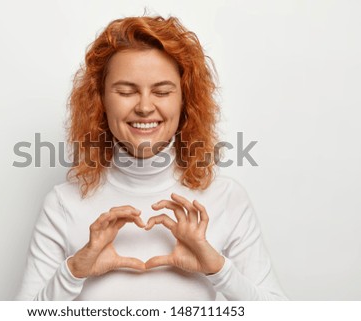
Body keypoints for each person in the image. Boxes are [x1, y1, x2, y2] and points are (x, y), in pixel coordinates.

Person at [15, 15, 287, 300]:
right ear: (101, 100)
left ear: (185, 100)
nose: (145, 107)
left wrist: (218, 270)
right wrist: (73, 272)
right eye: (126, 91)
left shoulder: (227, 198)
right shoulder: (62, 203)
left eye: (162, 91)